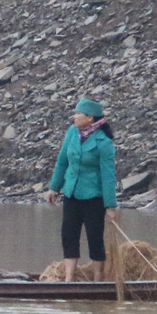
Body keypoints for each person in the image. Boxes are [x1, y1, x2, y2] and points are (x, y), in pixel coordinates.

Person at [48, 96, 117, 269]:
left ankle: (97, 280)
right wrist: (54, 187)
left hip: (93, 197)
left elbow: (108, 176)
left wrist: (110, 206)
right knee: (69, 235)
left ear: (90, 118)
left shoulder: (104, 142)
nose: (75, 116)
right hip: (71, 193)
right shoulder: (72, 133)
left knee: (95, 238)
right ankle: (69, 280)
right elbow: (62, 161)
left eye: (79, 113)